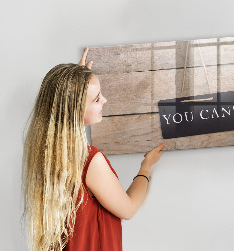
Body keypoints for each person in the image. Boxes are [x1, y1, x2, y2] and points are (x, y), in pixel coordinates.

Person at [22, 48, 166, 251]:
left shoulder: (44, 153)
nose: (104, 101)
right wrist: (146, 167)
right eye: (97, 99)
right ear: (76, 109)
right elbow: (128, 208)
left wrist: (76, 82)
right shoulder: (90, 161)